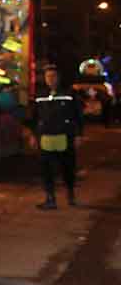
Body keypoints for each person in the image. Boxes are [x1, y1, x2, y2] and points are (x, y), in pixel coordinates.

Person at [32, 64, 83, 209]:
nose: (50, 79)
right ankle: (50, 198)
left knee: (67, 168)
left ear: (58, 77)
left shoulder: (69, 93)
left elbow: (78, 115)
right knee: (46, 170)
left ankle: (70, 193)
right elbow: (35, 117)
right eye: (48, 76)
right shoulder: (40, 95)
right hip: (46, 137)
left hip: (64, 137)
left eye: (53, 76)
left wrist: (79, 134)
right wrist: (34, 135)